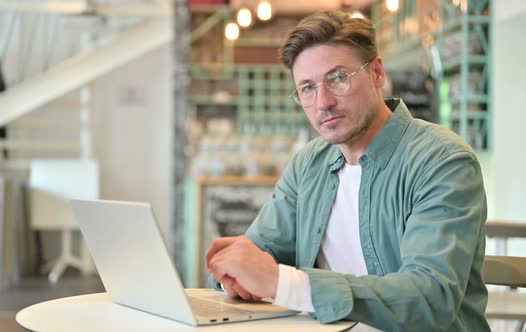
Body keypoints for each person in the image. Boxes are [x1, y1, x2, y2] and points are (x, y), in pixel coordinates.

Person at [205, 10, 489, 332]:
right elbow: (261, 251)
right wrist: (236, 270)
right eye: (307, 88)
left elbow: (430, 298)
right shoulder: (308, 165)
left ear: (377, 73)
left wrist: (283, 282)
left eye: (338, 78)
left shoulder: (441, 160)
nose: (322, 102)